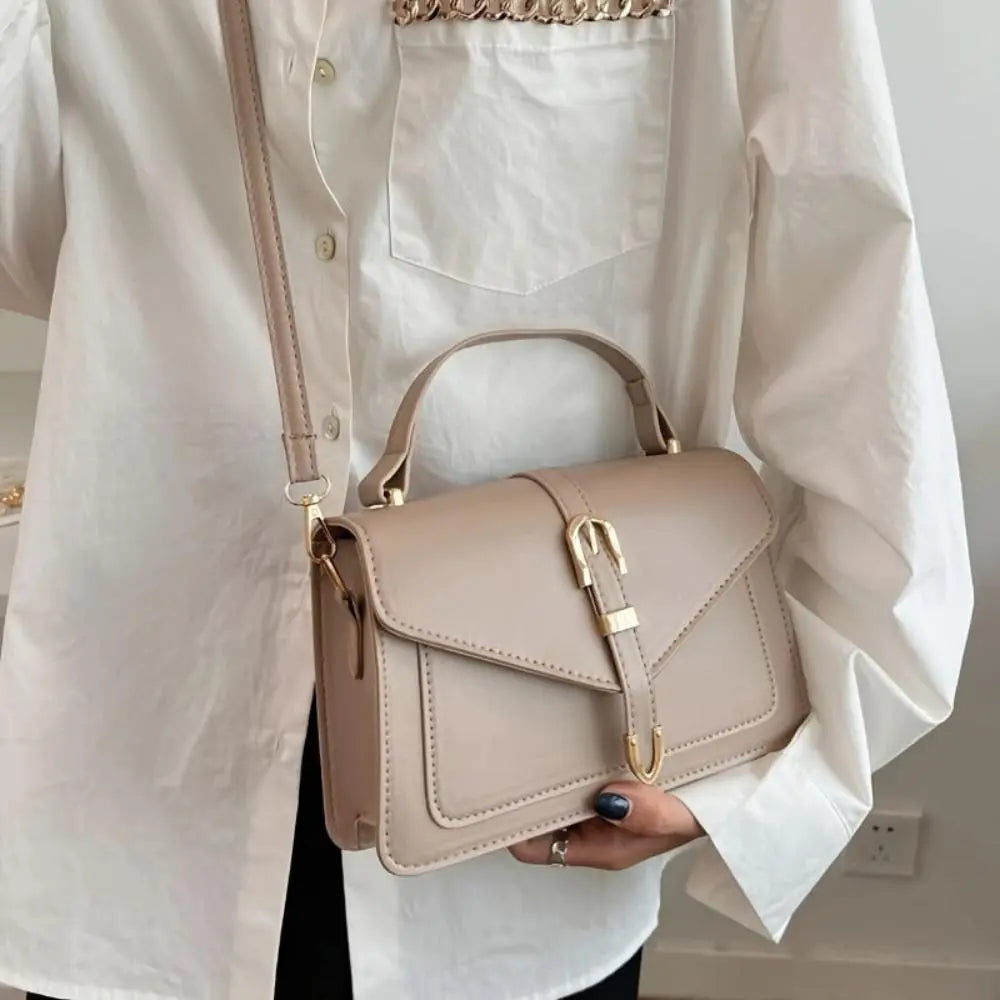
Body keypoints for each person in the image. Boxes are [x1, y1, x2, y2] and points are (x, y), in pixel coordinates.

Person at [0, 1, 973, 998]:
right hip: (146, 752)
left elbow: (849, 295)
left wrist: (785, 777)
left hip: (534, 803)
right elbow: (31, 241)